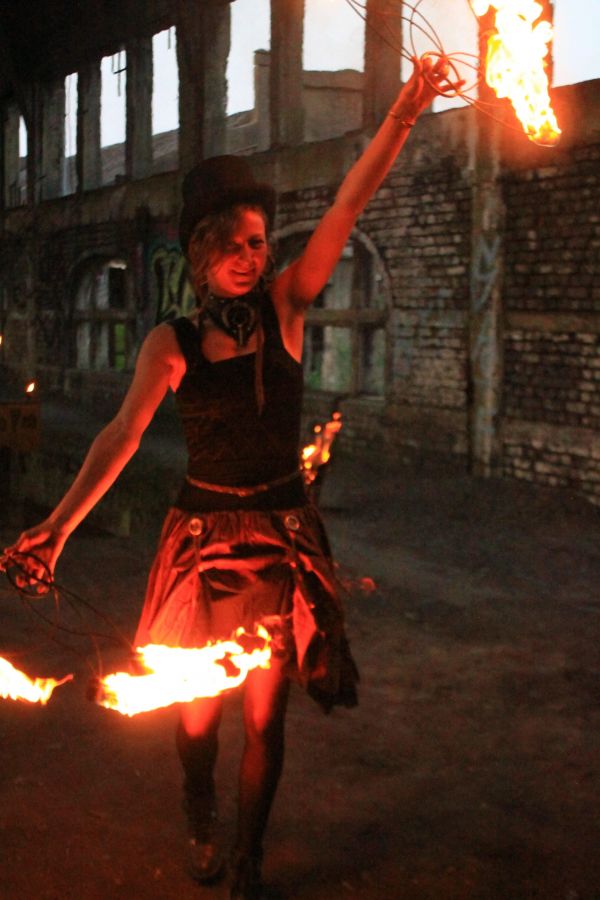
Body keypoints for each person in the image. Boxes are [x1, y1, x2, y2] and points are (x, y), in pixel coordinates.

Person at [5, 56, 457, 899]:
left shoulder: (288, 306)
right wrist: (58, 527)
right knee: (197, 715)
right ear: (200, 253)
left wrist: (404, 111)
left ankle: (248, 856)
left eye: (257, 243)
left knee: (264, 714)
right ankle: (197, 799)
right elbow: (121, 434)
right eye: (233, 246)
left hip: (281, 538)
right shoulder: (170, 343)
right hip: (200, 543)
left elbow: (350, 202)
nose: (251, 258)